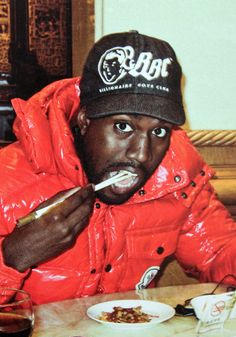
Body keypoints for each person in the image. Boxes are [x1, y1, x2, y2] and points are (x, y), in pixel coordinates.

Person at [0, 31, 235, 305]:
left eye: (159, 131)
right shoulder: (8, 182)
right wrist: (11, 259)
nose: (141, 153)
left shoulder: (176, 178)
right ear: (85, 120)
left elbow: (218, 252)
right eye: (123, 126)